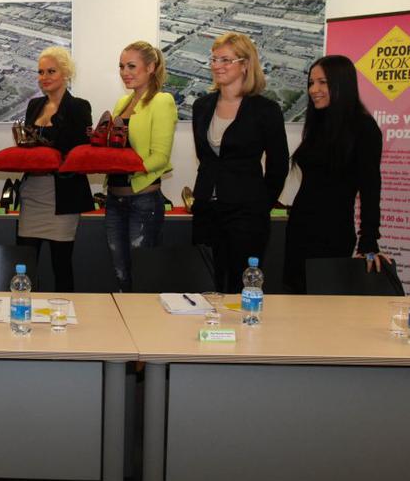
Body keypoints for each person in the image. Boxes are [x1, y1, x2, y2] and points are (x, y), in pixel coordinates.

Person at [191, 32, 289, 293]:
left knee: (240, 287)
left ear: (245, 64)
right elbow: (205, 159)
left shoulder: (265, 110)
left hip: (246, 215)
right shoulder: (202, 106)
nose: (217, 65)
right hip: (206, 212)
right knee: (205, 285)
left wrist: (261, 205)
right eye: (214, 59)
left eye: (225, 59)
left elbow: (278, 165)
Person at [284, 55, 389, 293]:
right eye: (311, 83)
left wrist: (369, 241)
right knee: (296, 300)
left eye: (323, 82)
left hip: (333, 232)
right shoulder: (318, 124)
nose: (314, 90)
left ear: (342, 83)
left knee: (325, 303)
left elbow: (371, 188)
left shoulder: (363, 127)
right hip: (300, 228)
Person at [18, 46, 94, 292]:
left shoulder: (79, 107)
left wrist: (45, 148)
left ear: (66, 73)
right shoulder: (34, 105)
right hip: (32, 194)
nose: (44, 77)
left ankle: (65, 312)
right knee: (25, 266)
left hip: (62, 195)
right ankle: (24, 309)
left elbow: (79, 149)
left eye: (51, 71)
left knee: (61, 265)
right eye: (41, 72)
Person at [104, 41, 177, 291]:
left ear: (151, 67)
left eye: (131, 66)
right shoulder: (121, 103)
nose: (125, 72)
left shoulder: (162, 101)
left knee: (143, 278)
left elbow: (160, 157)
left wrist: (127, 168)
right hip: (114, 200)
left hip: (143, 201)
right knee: (120, 274)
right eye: (121, 66)